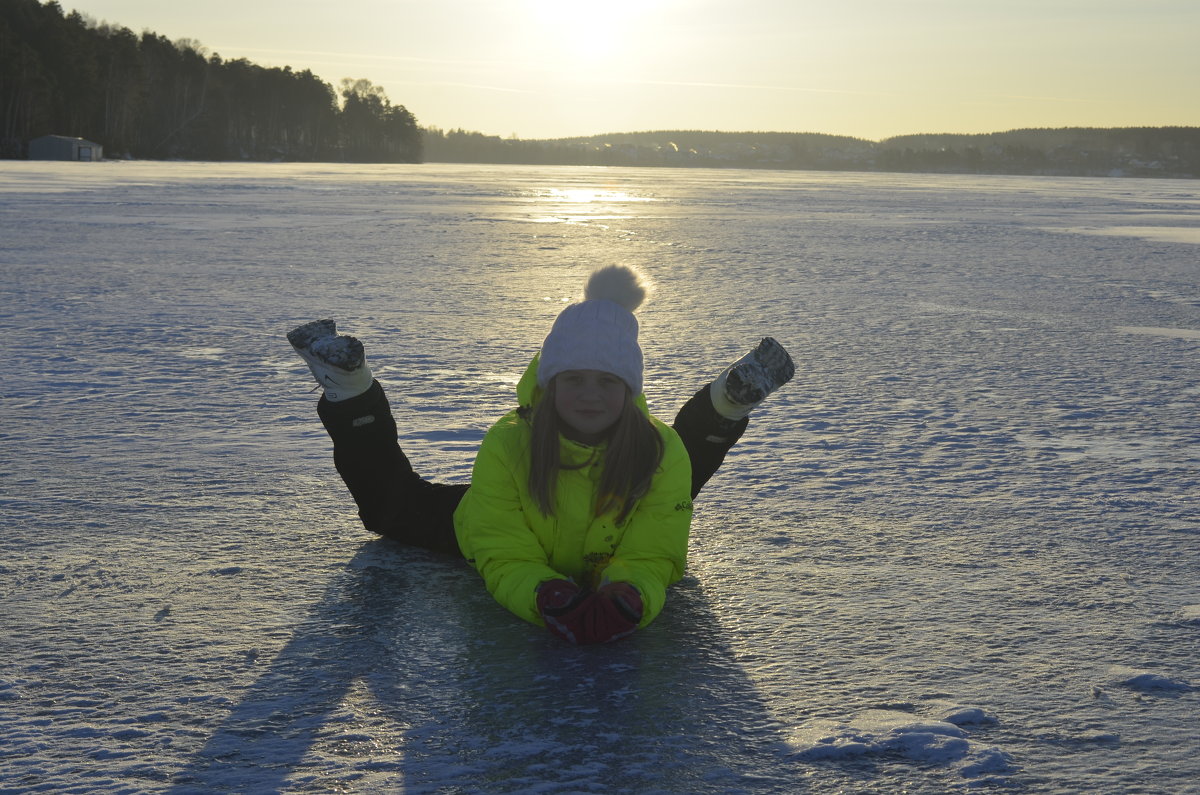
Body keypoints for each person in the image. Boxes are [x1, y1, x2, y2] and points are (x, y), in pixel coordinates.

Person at [288, 265, 793, 645]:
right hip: (503, 517)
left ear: (631, 390)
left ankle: (727, 401)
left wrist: (633, 593)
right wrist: (542, 593)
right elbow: (503, 548)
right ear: (549, 387)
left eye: (607, 382)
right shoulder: (509, 442)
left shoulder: (658, 450)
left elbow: (654, 551)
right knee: (390, 508)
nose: (590, 395)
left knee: (669, 465)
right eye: (573, 380)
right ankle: (349, 386)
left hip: (614, 513)